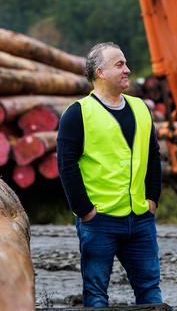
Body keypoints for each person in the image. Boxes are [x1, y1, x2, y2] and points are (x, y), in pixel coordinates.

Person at [57, 42, 162, 307]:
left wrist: (152, 199)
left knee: (150, 292)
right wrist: (84, 210)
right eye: (120, 64)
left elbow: (153, 155)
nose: (127, 69)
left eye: (125, 63)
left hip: (140, 219)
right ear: (100, 72)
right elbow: (66, 165)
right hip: (99, 221)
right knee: (96, 295)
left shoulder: (140, 108)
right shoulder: (78, 113)